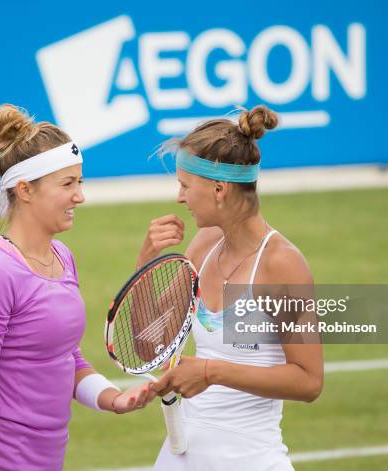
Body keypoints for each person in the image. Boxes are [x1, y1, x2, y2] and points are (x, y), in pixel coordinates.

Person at [0, 104, 154, 471]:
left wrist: (112, 398)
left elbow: (65, 358)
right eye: (67, 184)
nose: (80, 196)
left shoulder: (62, 256)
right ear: (25, 190)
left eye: (80, 182)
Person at [136, 105, 324, 470]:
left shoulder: (281, 263)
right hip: (181, 458)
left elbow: (308, 381)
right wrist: (146, 261)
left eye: (185, 185)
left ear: (219, 189)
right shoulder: (204, 246)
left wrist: (210, 372)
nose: (179, 197)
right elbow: (148, 344)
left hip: (250, 460)